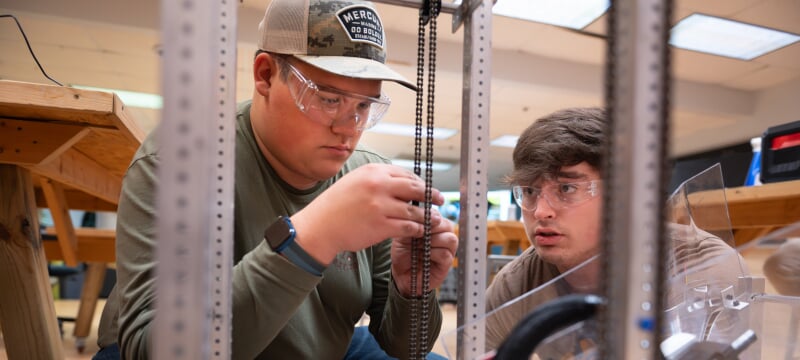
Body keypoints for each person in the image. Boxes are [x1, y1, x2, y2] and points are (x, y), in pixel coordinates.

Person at [93, 0, 457, 358]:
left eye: (363, 106)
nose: (348, 129)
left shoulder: (368, 179)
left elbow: (404, 348)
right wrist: (314, 235)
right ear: (265, 75)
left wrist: (410, 290)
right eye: (328, 99)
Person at [483, 107, 746, 356]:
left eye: (566, 189)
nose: (540, 212)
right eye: (530, 191)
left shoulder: (699, 266)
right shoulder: (518, 282)